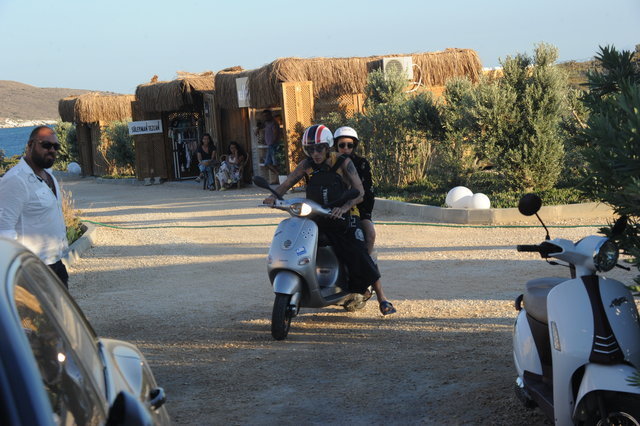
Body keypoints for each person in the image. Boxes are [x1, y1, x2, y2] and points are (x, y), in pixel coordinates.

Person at [263, 124, 396, 315]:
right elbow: (288, 183)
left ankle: (382, 298)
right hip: (316, 215)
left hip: (342, 216)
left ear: (327, 146)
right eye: (310, 149)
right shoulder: (307, 164)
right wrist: (274, 197)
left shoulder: (343, 162)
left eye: (319, 148)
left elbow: (360, 192)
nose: (315, 153)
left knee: (357, 251)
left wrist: (343, 208)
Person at [0, 126, 70, 287]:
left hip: (55, 264)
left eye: (56, 146)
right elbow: (4, 229)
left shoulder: (49, 175)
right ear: (30, 145)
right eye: (46, 145)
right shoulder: (16, 180)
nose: (52, 150)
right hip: (32, 271)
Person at [334, 126, 376, 256]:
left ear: (354, 146)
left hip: (358, 208)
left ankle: (367, 263)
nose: (346, 148)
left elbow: (366, 192)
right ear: (336, 146)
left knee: (370, 234)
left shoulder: (362, 163)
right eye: (342, 145)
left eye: (350, 145)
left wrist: (364, 212)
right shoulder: (328, 163)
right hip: (333, 207)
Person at [259, 110, 281, 183]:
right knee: (267, 164)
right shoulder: (266, 123)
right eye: (264, 116)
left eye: (266, 116)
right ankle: (278, 175)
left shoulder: (274, 123)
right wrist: (257, 129)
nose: (265, 117)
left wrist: (273, 142)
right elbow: (261, 126)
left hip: (274, 145)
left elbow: (275, 134)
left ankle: (279, 178)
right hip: (270, 145)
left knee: (275, 163)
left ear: (270, 115)